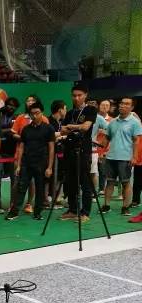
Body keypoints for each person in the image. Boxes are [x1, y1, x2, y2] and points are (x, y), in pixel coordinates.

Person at [5, 102, 55, 221]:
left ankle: (37, 213)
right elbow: (21, 147)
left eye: (37, 113)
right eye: (32, 114)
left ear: (42, 113)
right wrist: (18, 165)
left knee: (40, 189)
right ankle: (14, 212)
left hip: (41, 163)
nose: (35, 116)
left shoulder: (49, 128)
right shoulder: (26, 129)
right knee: (21, 187)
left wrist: (49, 167)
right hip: (26, 163)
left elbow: (51, 148)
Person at [60, 83, 98, 223]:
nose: (76, 98)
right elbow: (62, 130)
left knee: (85, 182)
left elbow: (86, 127)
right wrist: (76, 127)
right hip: (69, 149)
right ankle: (72, 210)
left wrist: (71, 126)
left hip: (83, 150)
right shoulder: (70, 112)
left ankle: (85, 212)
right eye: (74, 95)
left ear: (85, 95)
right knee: (70, 182)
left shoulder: (90, 110)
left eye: (79, 95)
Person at [101, 97, 142, 216]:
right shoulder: (113, 122)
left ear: (132, 107)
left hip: (125, 158)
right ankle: (106, 206)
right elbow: (107, 138)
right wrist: (101, 151)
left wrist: (134, 157)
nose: (122, 105)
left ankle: (125, 207)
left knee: (126, 183)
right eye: (121, 103)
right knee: (109, 182)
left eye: (126, 104)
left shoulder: (135, 122)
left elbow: (136, 141)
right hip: (111, 157)